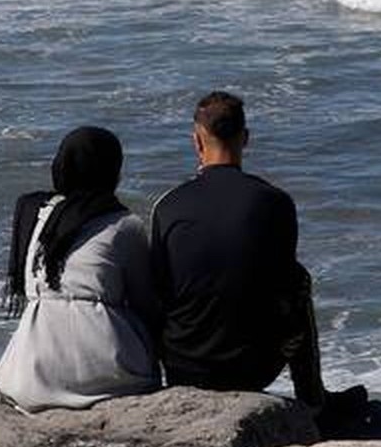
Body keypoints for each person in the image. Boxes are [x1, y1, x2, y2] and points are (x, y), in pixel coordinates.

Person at [149, 91, 365, 428]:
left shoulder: (167, 205)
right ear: (245, 139)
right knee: (298, 283)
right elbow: (281, 285)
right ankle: (313, 401)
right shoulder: (275, 202)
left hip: (184, 367)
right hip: (251, 367)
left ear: (196, 141)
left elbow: (159, 290)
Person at [0, 125, 163, 412]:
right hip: (105, 372)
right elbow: (145, 303)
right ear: (112, 171)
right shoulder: (124, 225)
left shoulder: (36, 214)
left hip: (30, 375)